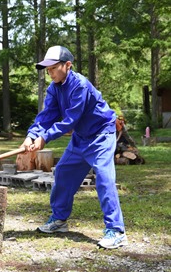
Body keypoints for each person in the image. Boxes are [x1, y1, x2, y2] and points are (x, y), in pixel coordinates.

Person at [22, 45, 127, 249]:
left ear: (67, 65)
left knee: (104, 178)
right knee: (63, 172)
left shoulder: (80, 85)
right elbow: (46, 116)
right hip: (81, 136)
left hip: (101, 134)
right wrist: (31, 135)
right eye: (47, 69)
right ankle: (59, 220)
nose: (49, 72)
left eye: (53, 68)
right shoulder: (54, 88)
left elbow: (70, 119)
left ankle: (116, 230)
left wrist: (44, 138)